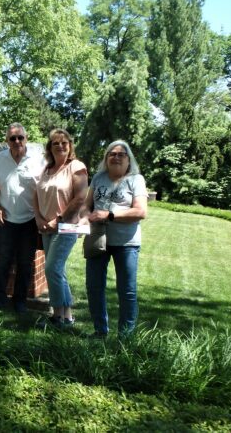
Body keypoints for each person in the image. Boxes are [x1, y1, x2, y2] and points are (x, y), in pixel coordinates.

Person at [81, 140, 147, 338]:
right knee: (94, 286)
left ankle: (125, 337)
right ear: (106, 158)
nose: (116, 157)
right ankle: (100, 331)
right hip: (97, 239)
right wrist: (85, 217)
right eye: (112, 153)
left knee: (127, 291)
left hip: (126, 243)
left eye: (121, 154)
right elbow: (87, 205)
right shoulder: (99, 178)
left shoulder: (136, 179)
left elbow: (140, 211)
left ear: (129, 160)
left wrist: (108, 215)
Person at [0, 122, 45, 313]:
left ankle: (20, 302)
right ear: (7, 140)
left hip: (30, 221)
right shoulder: (0, 159)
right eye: (12, 138)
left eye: (20, 137)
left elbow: (47, 189)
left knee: (25, 263)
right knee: (3, 261)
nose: (17, 141)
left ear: (26, 138)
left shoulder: (38, 159)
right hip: (6, 220)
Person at [33, 129, 88, 328]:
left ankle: (57, 316)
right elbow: (36, 194)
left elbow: (80, 197)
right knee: (58, 270)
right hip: (46, 227)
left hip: (67, 226)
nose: (60, 146)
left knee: (52, 269)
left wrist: (58, 220)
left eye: (64, 142)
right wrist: (39, 218)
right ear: (50, 147)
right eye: (55, 143)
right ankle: (67, 317)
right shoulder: (46, 169)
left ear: (70, 145)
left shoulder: (76, 166)